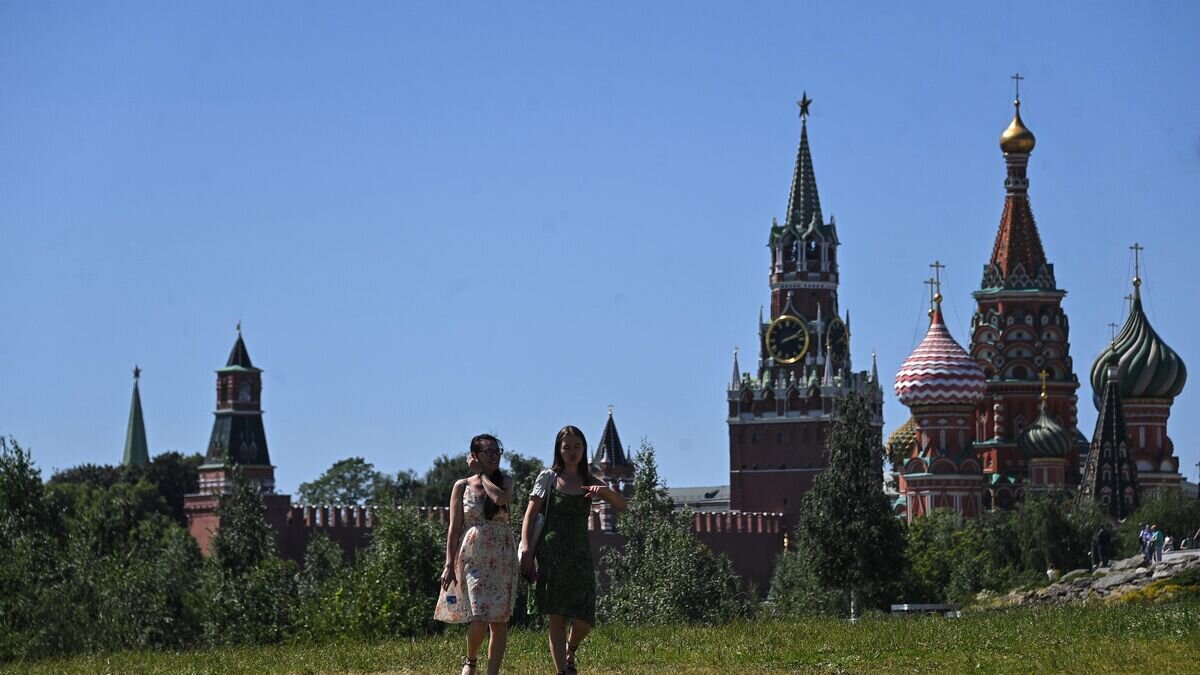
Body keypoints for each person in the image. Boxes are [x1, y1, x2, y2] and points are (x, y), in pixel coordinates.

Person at [520, 425, 628, 675]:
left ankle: (571, 649)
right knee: (556, 616)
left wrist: (603, 492)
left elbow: (622, 505)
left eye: (577, 446)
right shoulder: (548, 478)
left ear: (584, 449)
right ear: (558, 449)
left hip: (579, 555)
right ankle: (562, 671)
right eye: (566, 447)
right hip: (550, 554)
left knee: (585, 617)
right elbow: (530, 514)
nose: (572, 452)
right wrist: (525, 545)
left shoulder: (589, 481)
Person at [435, 434, 518, 675]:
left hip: (502, 555)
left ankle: (493, 672)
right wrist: (448, 564)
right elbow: (454, 527)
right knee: (480, 615)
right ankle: (471, 660)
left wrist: (482, 475)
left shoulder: (506, 481)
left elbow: (500, 499)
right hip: (474, 555)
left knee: (499, 620)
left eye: (496, 451)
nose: (494, 456)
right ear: (475, 455)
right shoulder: (461, 486)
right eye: (488, 452)